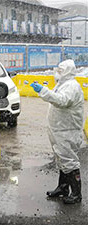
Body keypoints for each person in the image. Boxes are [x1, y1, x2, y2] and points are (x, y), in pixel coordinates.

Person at [30, 59, 85, 204]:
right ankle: (63, 188)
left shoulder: (72, 86)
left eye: (61, 70)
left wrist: (42, 90)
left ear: (68, 71)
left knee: (69, 161)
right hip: (60, 129)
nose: (57, 73)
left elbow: (61, 101)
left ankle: (77, 194)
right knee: (62, 159)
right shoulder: (62, 84)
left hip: (67, 130)